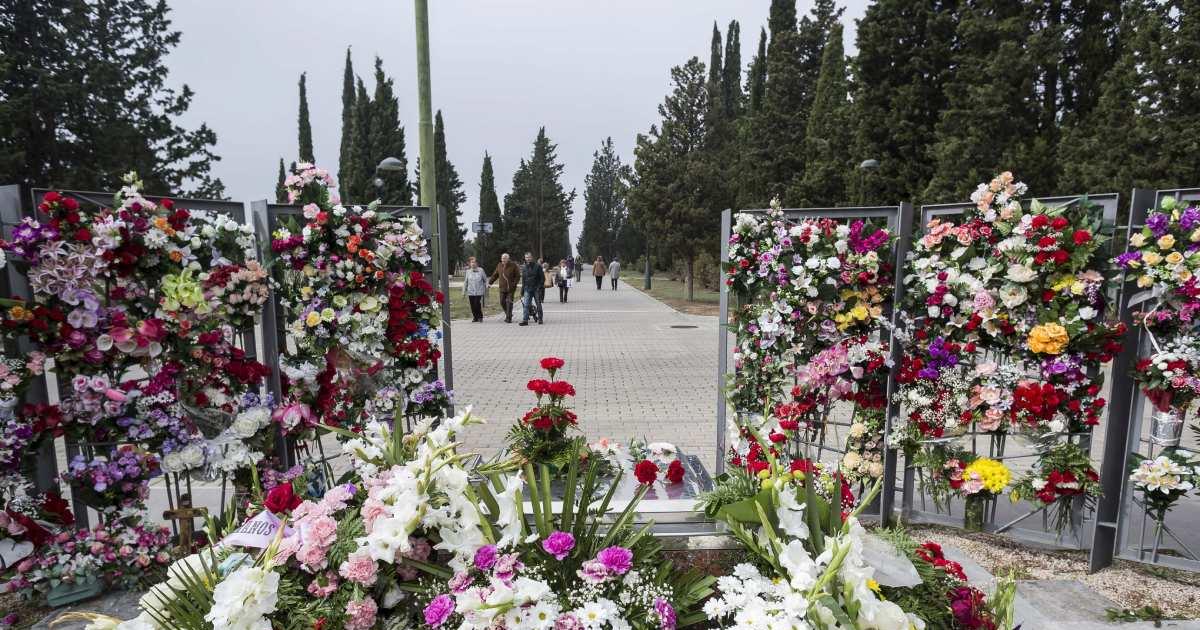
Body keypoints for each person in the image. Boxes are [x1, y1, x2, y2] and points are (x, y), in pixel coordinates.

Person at [488, 252, 521, 323]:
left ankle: (508, 318)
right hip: (502, 288)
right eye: (502, 258)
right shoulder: (499, 265)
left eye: (505, 258)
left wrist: (514, 284)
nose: (503, 259)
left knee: (509, 302)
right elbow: (495, 275)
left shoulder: (513, 265)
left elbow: (518, 276)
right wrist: (490, 283)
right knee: (502, 302)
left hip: (511, 288)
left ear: (508, 259)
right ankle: (508, 314)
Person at [518, 252, 544, 326]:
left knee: (538, 304)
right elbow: (523, 280)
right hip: (527, 289)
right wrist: (522, 291)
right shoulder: (524, 267)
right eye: (526, 257)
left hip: (536, 289)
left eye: (529, 257)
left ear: (531, 258)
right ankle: (525, 320)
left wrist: (539, 287)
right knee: (526, 305)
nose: (528, 259)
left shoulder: (538, 266)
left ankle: (540, 318)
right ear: (525, 258)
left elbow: (542, 278)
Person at [462, 257, 488, 322]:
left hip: (479, 291)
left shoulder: (481, 270)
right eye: (471, 262)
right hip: (470, 291)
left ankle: (480, 316)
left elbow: (485, 280)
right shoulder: (468, 272)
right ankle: (475, 317)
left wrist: (487, 286)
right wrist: (463, 292)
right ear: (470, 264)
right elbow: (465, 282)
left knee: (477, 304)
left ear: (477, 263)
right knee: (472, 305)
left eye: (474, 262)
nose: (473, 264)